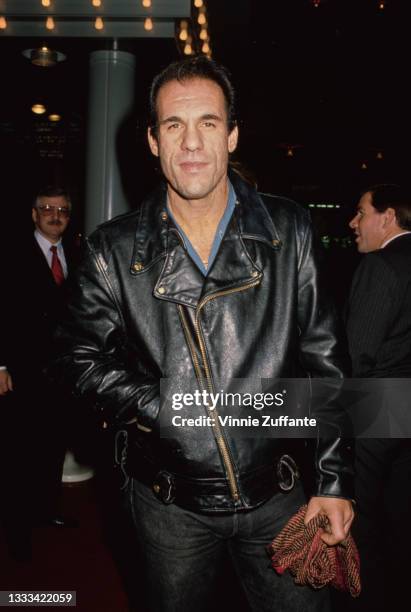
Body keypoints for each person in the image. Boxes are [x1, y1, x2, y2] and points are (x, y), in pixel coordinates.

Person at [52, 57, 354, 611]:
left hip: (280, 493)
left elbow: (326, 361)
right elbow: (75, 360)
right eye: (173, 126)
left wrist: (333, 480)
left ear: (233, 134)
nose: (191, 143)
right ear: (152, 140)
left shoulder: (290, 230)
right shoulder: (110, 251)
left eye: (208, 123)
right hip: (170, 505)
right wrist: (162, 405)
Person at [0, 185, 78, 560]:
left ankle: (45, 511)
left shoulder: (76, 254)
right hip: (22, 371)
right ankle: (17, 532)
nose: (54, 214)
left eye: (61, 209)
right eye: (46, 208)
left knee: (51, 447)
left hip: (62, 374)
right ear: (33, 215)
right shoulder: (11, 253)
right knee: (19, 453)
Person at [345, 184, 411, 611]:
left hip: (380, 409)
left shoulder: (381, 266)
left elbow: (358, 355)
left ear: (387, 217)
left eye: (360, 212)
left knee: (362, 523)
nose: (353, 223)